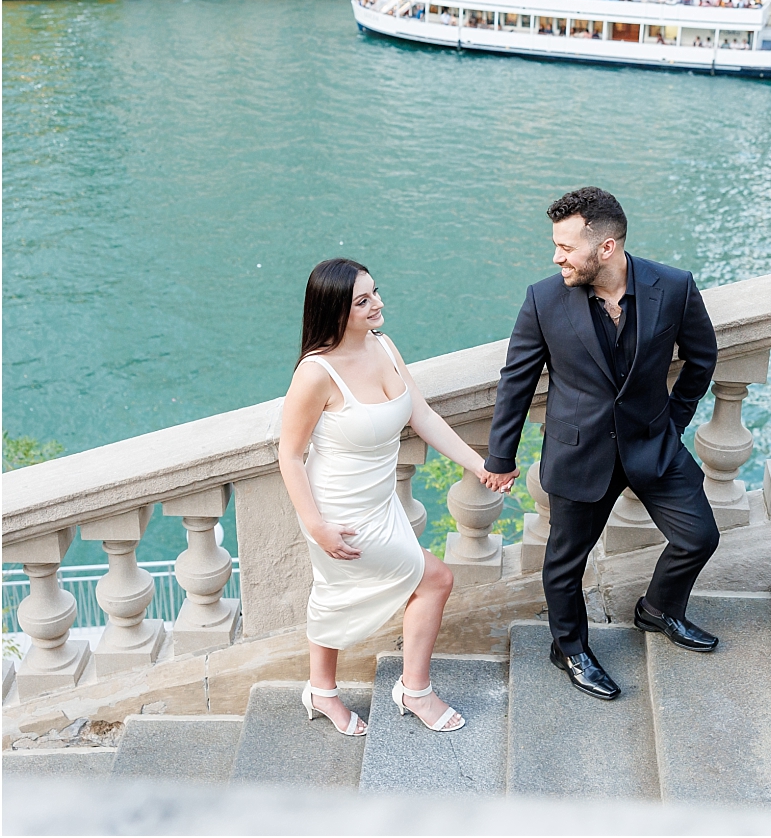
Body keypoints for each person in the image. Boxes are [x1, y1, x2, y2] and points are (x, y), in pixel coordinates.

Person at [481, 188, 720, 701]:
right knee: (566, 563)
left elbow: (702, 359)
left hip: (653, 444)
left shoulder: (673, 287)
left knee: (699, 537)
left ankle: (659, 610)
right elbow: (516, 381)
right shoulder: (543, 299)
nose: (556, 257)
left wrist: (672, 421)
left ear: (606, 247)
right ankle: (569, 648)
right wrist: (501, 455)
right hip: (578, 451)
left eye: (566, 247)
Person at [279, 260, 503, 735]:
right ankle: (414, 690)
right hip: (339, 510)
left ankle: (322, 690)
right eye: (362, 301)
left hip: (382, 502)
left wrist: (477, 464)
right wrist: (317, 526)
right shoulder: (315, 373)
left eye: (375, 292)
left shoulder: (383, 344)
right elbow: (290, 454)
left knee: (335, 593)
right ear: (334, 311)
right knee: (436, 579)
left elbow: (420, 413)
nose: (377, 304)